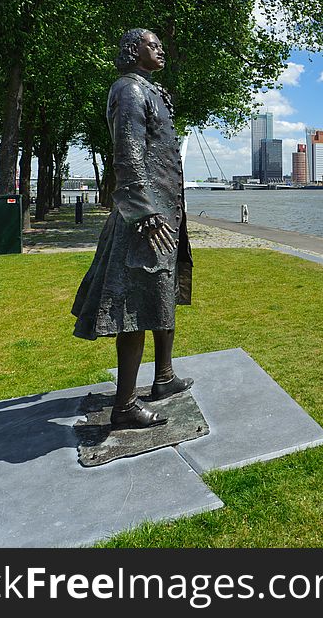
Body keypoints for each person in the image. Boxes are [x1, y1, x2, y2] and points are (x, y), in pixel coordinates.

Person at [71, 28, 194, 429]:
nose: (160, 49)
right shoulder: (129, 90)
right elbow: (127, 154)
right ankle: (124, 406)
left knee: (162, 293)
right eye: (151, 44)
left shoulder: (150, 90)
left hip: (165, 212)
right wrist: (143, 212)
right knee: (137, 307)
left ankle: (163, 377)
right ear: (132, 50)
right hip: (146, 218)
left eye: (160, 44)